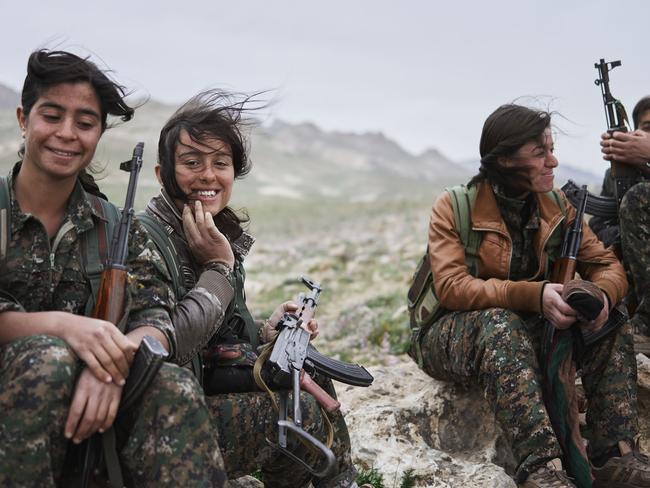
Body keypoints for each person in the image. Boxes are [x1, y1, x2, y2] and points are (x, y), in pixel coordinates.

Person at [0, 50, 224, 487]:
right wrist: (64, 328)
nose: (67, 134)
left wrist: (113, 365)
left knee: (170, 385)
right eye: (52, 115)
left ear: (99, 132)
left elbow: (154, 317)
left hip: (90, 412)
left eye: (85, 123)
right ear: (24, 119)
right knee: (48, 361)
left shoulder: (115, 228)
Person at [410, 104, 649, 487]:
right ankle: (542, 469)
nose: (553, 161)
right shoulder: (454, 206)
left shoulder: (557, 205)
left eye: (551, 148)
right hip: (449, 334)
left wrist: (600, 296)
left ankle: (617, 457)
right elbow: (452, 287)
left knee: (611, 319)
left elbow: (606, 264)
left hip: (529, 331)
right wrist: (535, 296)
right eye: (539, 152)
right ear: (503, 159)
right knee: (499, 323)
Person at [142, 90, 362, 488]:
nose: (209, 176)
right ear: (163, 175)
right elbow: (166, 343)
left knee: (305, 369)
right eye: (192, 163)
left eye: (221, 164)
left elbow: (221, 334)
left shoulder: (214, 231)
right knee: (301, 413)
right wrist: (219, 267)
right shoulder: (150, 241)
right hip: (164, 420)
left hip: (200, 390)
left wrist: (267, 330)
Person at [593, 97, 650, 344]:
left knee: (638, 197)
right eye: (647, 129)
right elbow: (598, 225)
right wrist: (621, 238)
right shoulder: (619, 172)